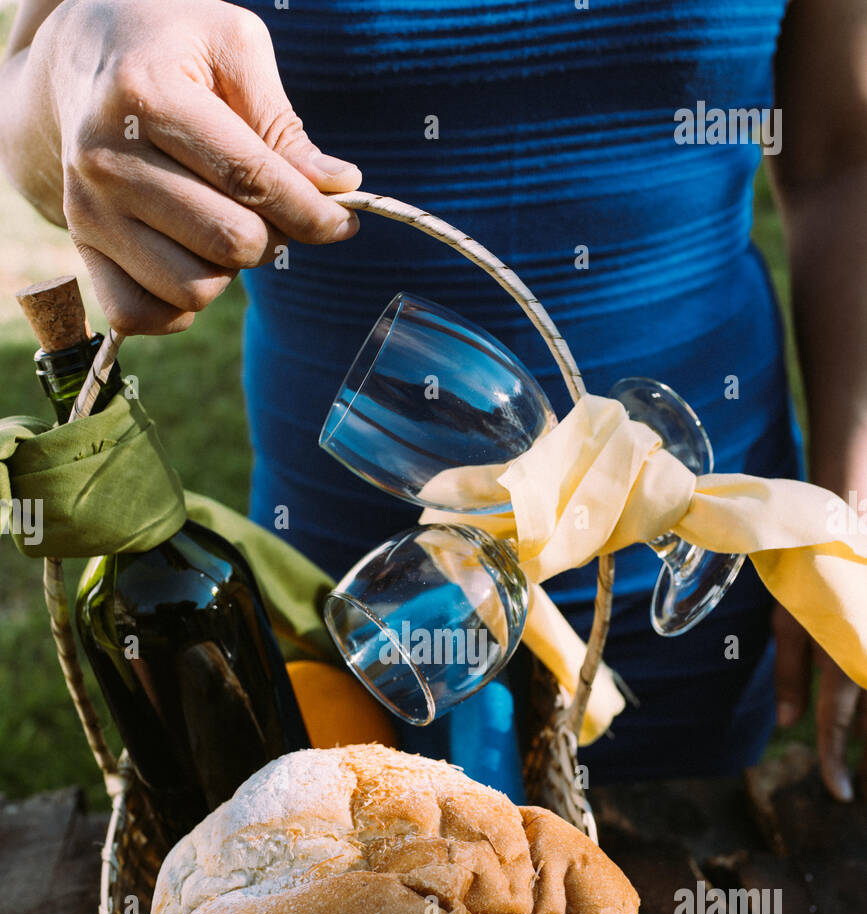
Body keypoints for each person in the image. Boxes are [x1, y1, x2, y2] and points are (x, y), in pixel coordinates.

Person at [2, 0, 865, 798]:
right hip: (366, 587)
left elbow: (839, 159)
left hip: (703, 550)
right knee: (374, 887)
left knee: (682, 897)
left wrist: (844, 489)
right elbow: (23, 93)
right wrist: (82, 56)